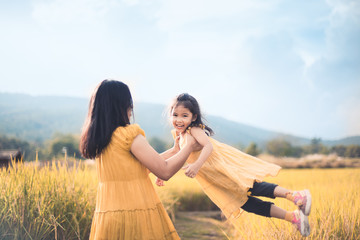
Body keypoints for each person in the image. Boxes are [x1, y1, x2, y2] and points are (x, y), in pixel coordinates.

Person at [156, 93, 312, 237]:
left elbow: (208, 146)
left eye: (184, 115)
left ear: (193, 117)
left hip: (223, 169)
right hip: (216, 178)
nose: (179, 119)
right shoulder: (180, 135)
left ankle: (295, 196)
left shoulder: (194, 130)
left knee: (253, 187)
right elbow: (176, 152)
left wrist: (196, 165)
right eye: (175, 115)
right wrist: (157, 169)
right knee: (246, 204)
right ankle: (293, 217)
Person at [80, 80, 196, 240]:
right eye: (129, 103)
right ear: (122, 105)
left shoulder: (100, 141)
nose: (131, 108)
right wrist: (189, 146)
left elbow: (137, 169)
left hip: (107, 217)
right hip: (135, 213)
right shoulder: (128, 134)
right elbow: (164, 171)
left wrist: (174, 151)